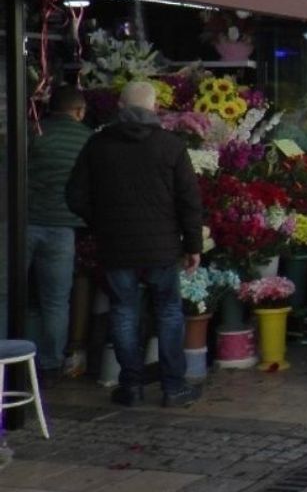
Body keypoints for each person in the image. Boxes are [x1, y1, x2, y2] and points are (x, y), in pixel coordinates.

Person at [67, 81, 203, 408]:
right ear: (155, 108)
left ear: (120, 107)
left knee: (124, 311)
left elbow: (74, 195)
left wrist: (100, 222)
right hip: (162, 247)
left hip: (117, 246)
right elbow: (189, 200)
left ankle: (131, 387)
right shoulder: (170, 146)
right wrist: (194, 245)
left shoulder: (98, 145)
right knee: (169, 312)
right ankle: (173, 387)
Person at [26, 86, 92, 377]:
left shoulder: (32, 132)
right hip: (64, 226)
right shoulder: (87, 138)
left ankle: (6, 355)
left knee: (7, 294)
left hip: (22, 224)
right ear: (79, 111)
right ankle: (51, 363)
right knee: (56, 299)